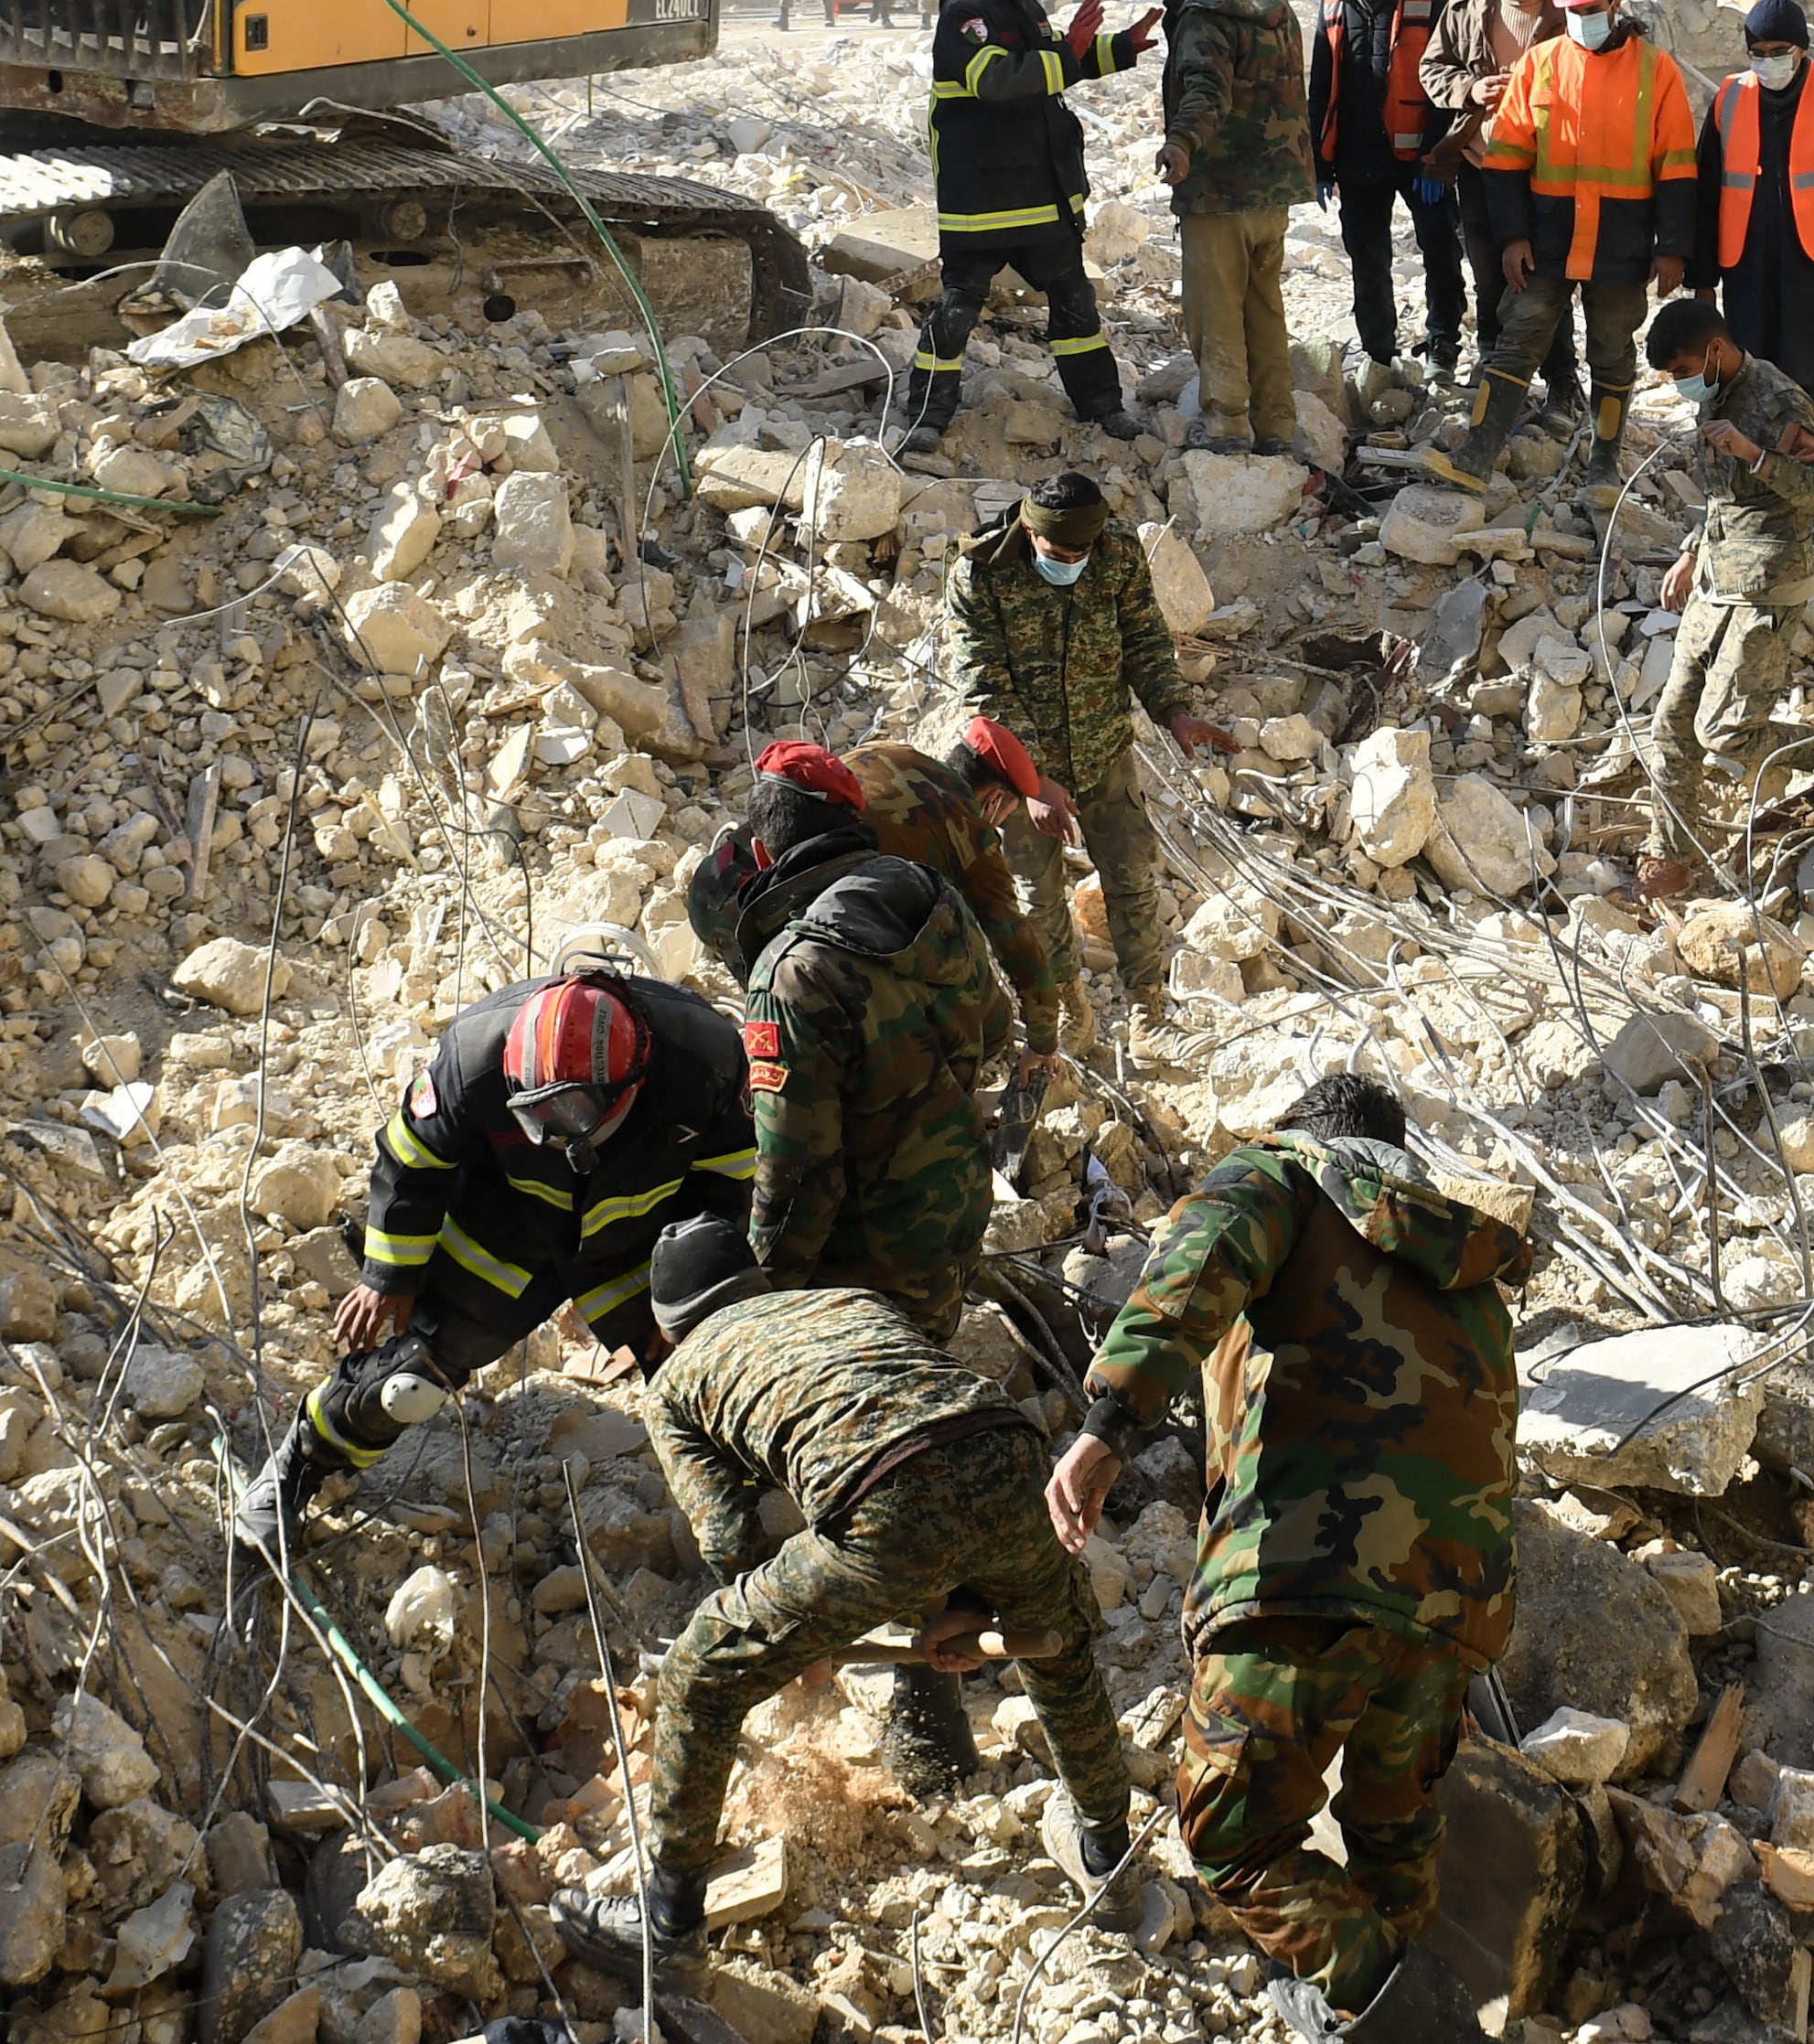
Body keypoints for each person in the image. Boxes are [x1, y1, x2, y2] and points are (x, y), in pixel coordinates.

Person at [1041, 1070, 1541, 2044]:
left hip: (1306, 1565)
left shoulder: (1283, 1177)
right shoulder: (1463, 1257)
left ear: (1307, 1133)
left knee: (1232, 1833)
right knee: (1393, 1837)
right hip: (1455, 1599)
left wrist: (1106, 1422)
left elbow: (1196, 1268)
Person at [549, 1221, 1140, 1968]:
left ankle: (667, 1927)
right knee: (1060, 1652)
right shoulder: (846, 1302)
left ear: (667, 1327)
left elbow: (728, 1536)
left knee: (700, 1672)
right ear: (756, 1285)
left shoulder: (676, 1380)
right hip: (1012, 1453)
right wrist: (957, 1603)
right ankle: (1108, 1858)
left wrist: (788, 1642)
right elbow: (938, 1441)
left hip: (885, 1498)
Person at [239, 961, 757, 1550]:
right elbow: (413, 1160)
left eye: (570, 1114)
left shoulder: (704, 1059)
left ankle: (751, 1496)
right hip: (507, 1233)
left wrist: (689, 1293)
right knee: (406, 1383)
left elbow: (729, 1175)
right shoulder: (474, 1054)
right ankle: (298, 1466)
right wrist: (391, 1272)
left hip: (639, 1244)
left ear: (632, 1081)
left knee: (706, 1368)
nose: (553, 1134)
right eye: (534, 1112)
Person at [683, 747, 1020, 1332]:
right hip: (956, 1210)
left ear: (762, 853)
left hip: (865, 1270)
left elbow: (799, 1178)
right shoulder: (933, 894)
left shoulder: (791, 974)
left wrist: (763, 1302)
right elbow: (993, 1029)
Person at [943, 473, 1238, 1023]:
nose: (1073, 560)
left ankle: (1148, 1011)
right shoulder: (980, 574)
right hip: (1017, 773)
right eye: (1060, 552)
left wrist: (1173, 710)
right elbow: (985, 689)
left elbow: (1144, 639)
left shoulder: (1118, 552)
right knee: (1039, 900)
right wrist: (1032, 782)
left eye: (1083, 550)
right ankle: (1067, 1017)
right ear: (1030, 530)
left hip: (1104, 753)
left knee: (1132, 879)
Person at [1434, 0, 1698, 493]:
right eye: (1572, 10)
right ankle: (1476, 454)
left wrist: (1672, 246)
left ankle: (1604, 463)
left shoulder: (1657, 72)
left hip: (1621, 244)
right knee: (1518, 339)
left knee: (1611, 351)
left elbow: (1676, 165)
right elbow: (1505, 159)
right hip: (1547, 239)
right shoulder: (1541, 64)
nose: (1580, 20)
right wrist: (1511, 237)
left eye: (1590, 9)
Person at [911, 0, 1154, 447]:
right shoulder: (966, 13)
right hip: (983, 203)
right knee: (954, 316)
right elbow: (1000, 80)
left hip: (1040, 195)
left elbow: (1051, 63)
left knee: (1075, 307)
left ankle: (1102, 406)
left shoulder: (1022, 6)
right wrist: (1070, 52)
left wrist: (1120, 47)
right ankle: (927, 417)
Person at [1633, 294, 1814, 897]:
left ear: (1716, 351)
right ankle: (1669, 861)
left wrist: (1757, 455)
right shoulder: (1716, 396)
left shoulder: (1780, 401)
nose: (1679, 385)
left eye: (1682, 371)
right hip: (1716, 581)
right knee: (1673, 722)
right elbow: (1723, 497)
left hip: (1768, 587)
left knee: (1724, 734)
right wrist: (1691, 549)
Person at [1691, 0, 1814, 449]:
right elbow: (1706, 198)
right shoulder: (1729, 100)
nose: (1768, 63)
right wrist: (1703, 282)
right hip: (1746, 267)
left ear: (1802, 50)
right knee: (1747, 378)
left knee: (1813, 385)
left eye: (1779, 53)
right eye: (1758, 55)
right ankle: (1754, 480)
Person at [1417, 0, 1585, 434]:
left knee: (1546, 277)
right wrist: (1471, 90)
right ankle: (1494, 365)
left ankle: (1562, 381)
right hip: (1481, 163)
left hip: (1548, 167)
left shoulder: (1567, 13)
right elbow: (1431, 69)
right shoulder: (1466, 7)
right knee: (1489, 274)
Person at [835, 716, 1081, 1069]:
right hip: (835, 936)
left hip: (749, 887)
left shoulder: (889, 750)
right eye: (1010, 810)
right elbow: (1015, 942)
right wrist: (1043, 1043)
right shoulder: (970, 829)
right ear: (995, 801)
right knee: (984, 1018)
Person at [1304, 0, 1462, 420]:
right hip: (1358, 154)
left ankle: (1443, 347)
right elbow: (1321, 84)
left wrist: (1439, 158)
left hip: (1419, 155)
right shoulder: (1331, 0)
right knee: (1368, 261)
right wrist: (1320, 164)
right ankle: (1379, 355)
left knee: (1440, 249)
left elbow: (1448, 80)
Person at [1158, 0, 1315, 455]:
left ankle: (1226, 425)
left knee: (1215, 312)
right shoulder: (1271, 1)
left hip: (1220, 191)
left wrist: (1180, 143)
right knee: (1264, 309)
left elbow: (1206, 89)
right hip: (1274, 191)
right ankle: (1276, 427)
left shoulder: (1204, 12)